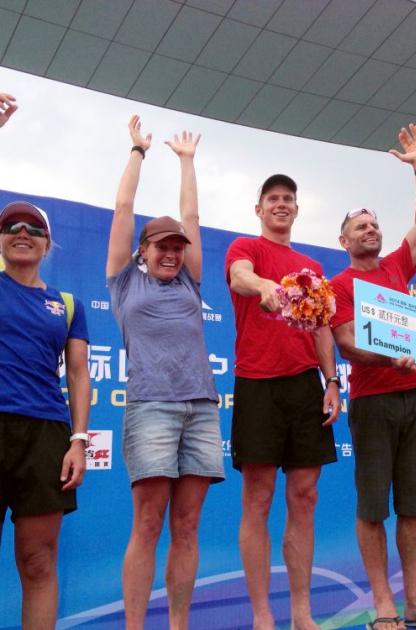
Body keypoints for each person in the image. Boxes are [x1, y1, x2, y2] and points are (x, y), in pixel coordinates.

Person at [330, 123, 416, 630]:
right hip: (372, 402)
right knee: (372, 506)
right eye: (360, 226)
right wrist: (388, 360)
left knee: (415, 504)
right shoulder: (339, 285)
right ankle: (382, 602)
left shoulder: (395, 269)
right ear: (342, 240)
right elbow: (345, 342)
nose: (371, 230)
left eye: (374, 224)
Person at [106, 116, 224, 630]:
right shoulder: (123, 282)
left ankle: (178, 624)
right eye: (163, 247)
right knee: (149, 521)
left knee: (188, 523)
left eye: (179, 247)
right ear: (143, 252)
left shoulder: (190, 285)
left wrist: (187, 161)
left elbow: (192, 215)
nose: (173, 253)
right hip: (151, 407)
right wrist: (138, 152)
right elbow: (124, 209)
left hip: (201, 407)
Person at [225, 173, 341, 630]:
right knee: (257, 498)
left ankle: (301, 612)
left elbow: (323, 327)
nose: (280, 205)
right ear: (259, 209)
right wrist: (265, 287)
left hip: (304, 386)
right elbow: (239, 278)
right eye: (272, 198)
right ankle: (262, 616)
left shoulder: (310, 266)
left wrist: (332, 382)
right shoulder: (245, 249)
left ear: (296, 208)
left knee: (305, 496)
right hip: (256, 384)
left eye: (288, 199)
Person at [0, 95, 90, 630]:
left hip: (46, 437)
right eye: (12, 227)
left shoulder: (70, 305)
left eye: (33, 229)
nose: (22, 234)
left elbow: (78, 375)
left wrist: (78, 440)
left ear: (48, 242)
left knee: (37, 562)